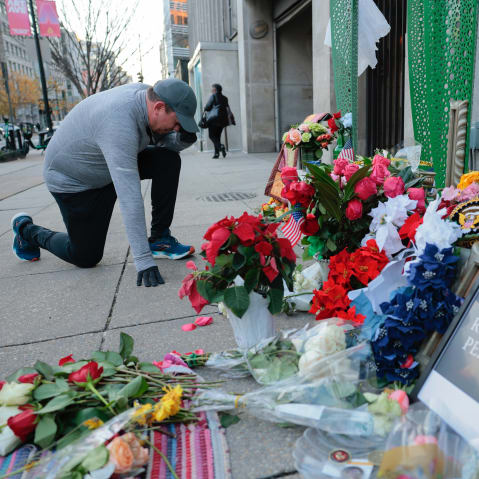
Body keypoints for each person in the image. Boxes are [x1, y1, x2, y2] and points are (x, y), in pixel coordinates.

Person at [11, 78, 199, 288]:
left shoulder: (147, 99)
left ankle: (160, 238)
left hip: (104, 167)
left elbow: (163, 144)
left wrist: (184, 138)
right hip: (74, 183)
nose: (176, 128)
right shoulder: (119, 121)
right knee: (85, 257)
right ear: (159, 107)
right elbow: (130, 197)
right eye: (177, 122)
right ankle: (26, 230)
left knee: (167, 161)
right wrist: (143, 261)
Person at [204, 83, 231, 159]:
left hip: (213, 120)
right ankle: (216, 154)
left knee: (211, 136)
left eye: (212, 89)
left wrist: (205, 108)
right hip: (222, 121)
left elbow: (207, 107)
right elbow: (226, 108)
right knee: (217, 137)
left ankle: (220, 146)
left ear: (215, 90)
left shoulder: (213, 96)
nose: (211, 90)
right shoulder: (225, 98)